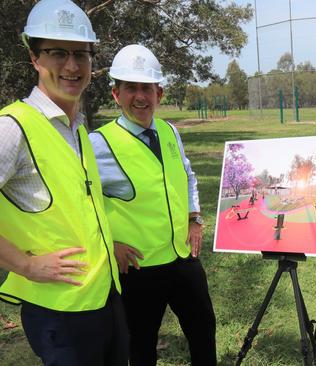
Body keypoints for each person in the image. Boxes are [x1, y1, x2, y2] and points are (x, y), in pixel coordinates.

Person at [0, 0, 127, 365]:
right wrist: (25, 266)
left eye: (81, 54)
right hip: (59, 312)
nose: (72, 66)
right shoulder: (14, 127)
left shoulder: (78, 128)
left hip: (105, 298)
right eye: (57, 53)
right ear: (34, 58)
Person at [89, 44, 216, 366]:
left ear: (159, 93)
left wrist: (195, 218)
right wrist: (108, 246)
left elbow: (187, 177)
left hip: (182, 256)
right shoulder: (97, 144)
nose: (140, 96)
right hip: (138, 268)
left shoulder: (170, 131)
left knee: (203, 331)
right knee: (141, 345)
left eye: (147, 88)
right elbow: (79, 203)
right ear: (116, 94)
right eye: (131, 88)